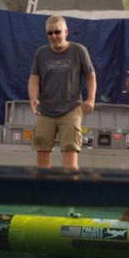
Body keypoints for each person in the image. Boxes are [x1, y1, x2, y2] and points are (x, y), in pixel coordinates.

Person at [28, 15, 96, 170]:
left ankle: (70, 191)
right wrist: (33, 98)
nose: (54, 36)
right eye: (50, 33)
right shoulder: (40, 53)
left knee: (70, 156)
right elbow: (34, 77)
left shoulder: (79, 51)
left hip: (71, 109)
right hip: (45, 111)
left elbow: (90, 75)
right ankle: (43, 191)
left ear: (66, 32)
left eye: (57, 32)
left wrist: (91, 99)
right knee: (42, 154)